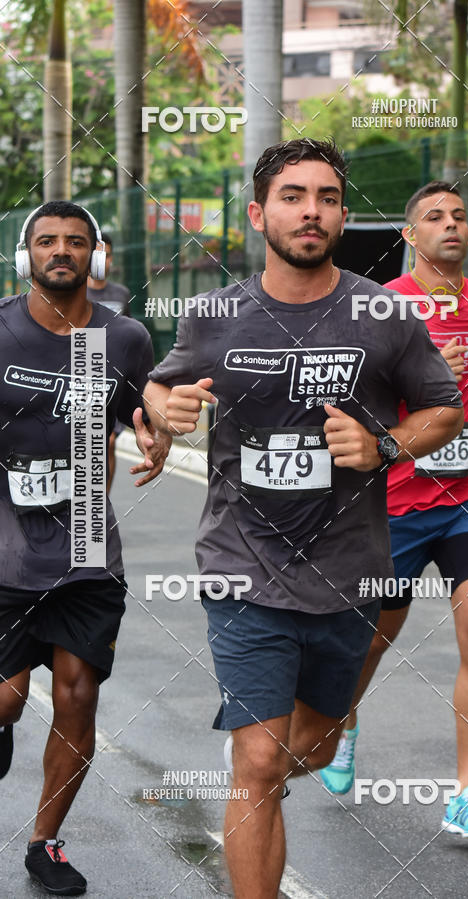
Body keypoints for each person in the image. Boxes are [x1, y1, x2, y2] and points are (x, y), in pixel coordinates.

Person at [143, 140, 464, 898]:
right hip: (242, 567)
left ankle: (273, 771)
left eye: (325, 196)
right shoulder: (214, 314)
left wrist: (383, 443)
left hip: (349, 570)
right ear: (259, 214)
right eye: (292, 195)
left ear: (343, 215)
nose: (310, 210)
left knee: (310, 748)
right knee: (258, 762)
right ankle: (251, 795)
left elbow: (444, 410)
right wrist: (166, 409)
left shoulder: (384, 311)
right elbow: (159, 392)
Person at [320, 180, 468, 842]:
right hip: (396, 501)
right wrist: (429, 380)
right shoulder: (383, 309)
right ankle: (343, 720)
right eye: (434, 216)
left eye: (460, 214)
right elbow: (350, 404)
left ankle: (465, 793)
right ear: (410, 236)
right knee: (372, 637)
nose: (451, 224)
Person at [0, 201, 170, 895]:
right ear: (26, 255)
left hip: (86, 543)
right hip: (6, 543)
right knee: (5, 702)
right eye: (47, 241)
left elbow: (146, 410)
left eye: (75, 241)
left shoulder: (122, 337)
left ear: (96, 257)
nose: (61, 251)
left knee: (77, 696)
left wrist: (161, 438)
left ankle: (45, 843)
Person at [87, 232, 131, 492]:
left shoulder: (122, 294)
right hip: (84, 376)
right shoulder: (76, 293)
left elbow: (130, 333)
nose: (103, 261)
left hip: (115, 380)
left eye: (108, 255)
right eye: (98, 255)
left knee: (109, 442)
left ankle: (102, 503)